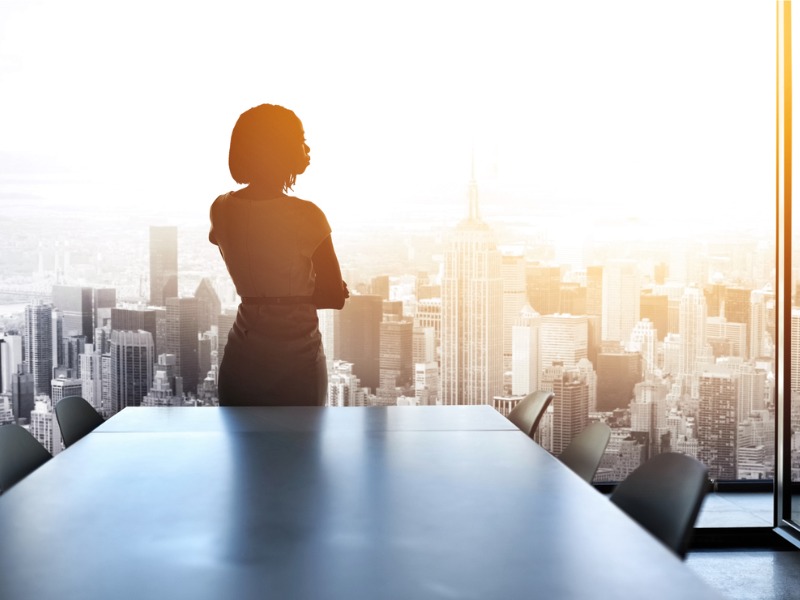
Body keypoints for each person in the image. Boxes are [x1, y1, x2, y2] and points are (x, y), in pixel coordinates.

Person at [209, 104, 348, 406]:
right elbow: (334, 297)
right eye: (300, 139)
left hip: (241, 356)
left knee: (243, 450)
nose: (308, 147)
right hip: (298, 359)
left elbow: (221, 240)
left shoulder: (220, 208)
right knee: (301, 449)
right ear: (278, 148)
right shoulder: (307, 216)